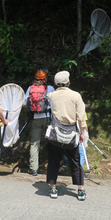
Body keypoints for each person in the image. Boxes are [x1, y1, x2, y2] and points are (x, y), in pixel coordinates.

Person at [46, 71, 88, 201]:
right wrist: (83, 132)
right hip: (71, 134)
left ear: (55, 83)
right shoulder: (76, 96)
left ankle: (53, 189)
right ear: (68, 82)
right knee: (75, 162)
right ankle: (80, 190)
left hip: (55, 133)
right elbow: (81, 116)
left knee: (53, 161)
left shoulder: (51, 95)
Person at [22, 69, 55, 176]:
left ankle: (33, 169)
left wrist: (33, 109)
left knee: (34, 143)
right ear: (45, 78)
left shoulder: (30, 88)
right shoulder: (50, 88)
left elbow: (24, 104)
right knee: (52, 142)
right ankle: (52, 166)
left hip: (35, 119)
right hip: (47, 118)